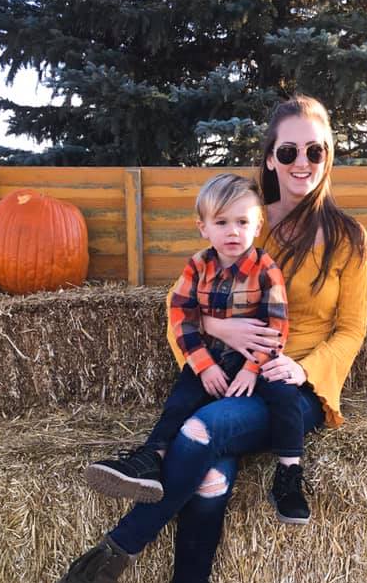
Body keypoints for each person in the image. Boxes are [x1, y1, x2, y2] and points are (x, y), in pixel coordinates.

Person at [19, 95, 367, 583]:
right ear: (270, 158)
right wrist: (221, 332)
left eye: (314, 149)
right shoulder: (245, 216)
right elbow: (181, 304)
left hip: (291, 388)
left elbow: (350, 329)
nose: (302, 162)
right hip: (230, 372)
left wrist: (301, 366)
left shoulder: (348, 238)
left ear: (327, 154)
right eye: (288, 150)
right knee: (209, 482)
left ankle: (105, 561)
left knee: (202, 434)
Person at [83, 172, 311, 525]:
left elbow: (277, 326)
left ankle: (289, 475)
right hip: (213, 357)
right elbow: (182, 316)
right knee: (183, 396)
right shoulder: (197, 266)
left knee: (284, 394)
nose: (233, 231)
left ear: (257, 225)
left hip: (255, 357)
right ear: (203, 227)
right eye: (221, 222)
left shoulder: (266, 269)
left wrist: (253, 369)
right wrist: (204, 365)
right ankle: (151, 457)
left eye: (242, 222)